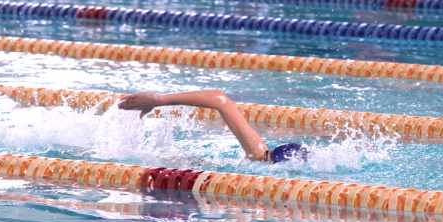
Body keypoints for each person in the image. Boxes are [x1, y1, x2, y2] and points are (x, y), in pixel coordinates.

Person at [118, 89, 308, 163]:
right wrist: (159, 99)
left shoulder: (259, 156)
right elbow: (219, 99)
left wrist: (160, 100)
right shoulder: (259, 156)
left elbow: (220, 100)